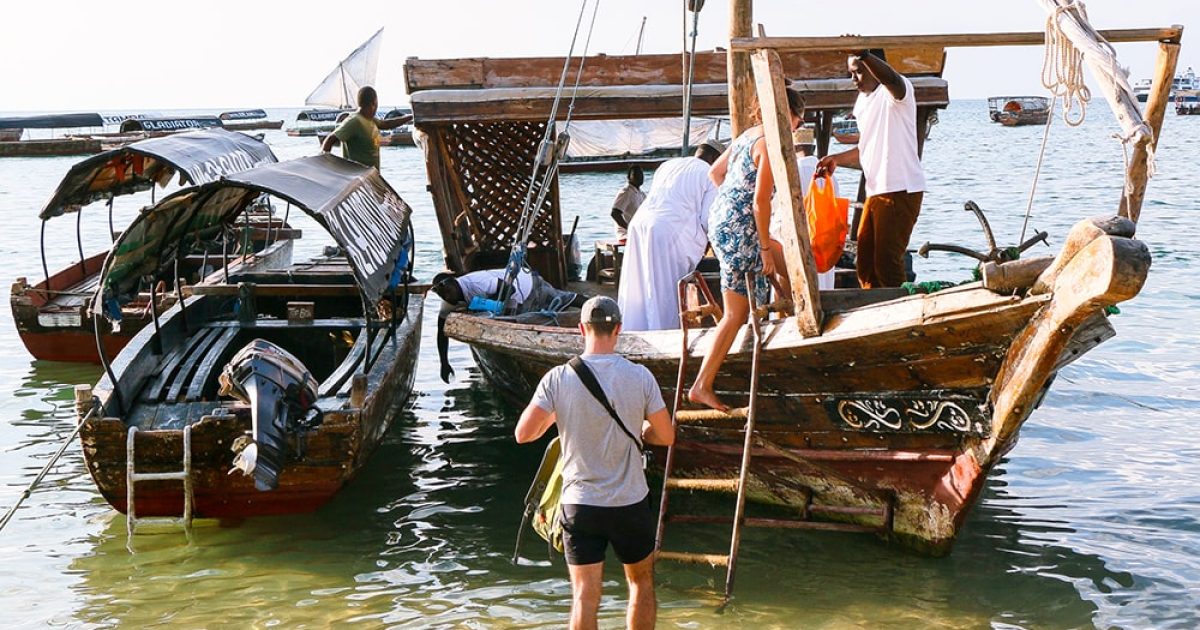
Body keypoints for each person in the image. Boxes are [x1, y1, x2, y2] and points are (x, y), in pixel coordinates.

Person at [515, 296, 675, 630]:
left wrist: (559, 418)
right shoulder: (640, 376)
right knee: (641, 584)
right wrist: (642, 430)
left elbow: (524, 434)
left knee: (585, 596)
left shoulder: (558, 378)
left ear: (581, 329)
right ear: (618, 329)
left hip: (580, 504)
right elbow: (666, 435)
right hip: (630, 501)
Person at [687, 86, 805, 412]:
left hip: (721, 223)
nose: (797, 127)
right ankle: (803, 325)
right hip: (743, 227)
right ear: (786, 114)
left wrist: (731, 201)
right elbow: (759, 204)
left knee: (736, 312)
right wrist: (764, 247)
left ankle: (702, 384)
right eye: (798, 119)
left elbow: (715, 172)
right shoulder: (769, 142)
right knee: (782, 267)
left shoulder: (746, 135)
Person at [816, 50, 926, 288]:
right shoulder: (862, 102)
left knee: (887, 261)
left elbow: (891, 79)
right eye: (851, 73)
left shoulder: (896, 92)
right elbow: (867, 147)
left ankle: (900, 311)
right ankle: (874, 309)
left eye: (859, 71)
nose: (854, 79)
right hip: (876, 191)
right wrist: (837, 158)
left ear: (874, 68)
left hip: (901, 188)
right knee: (865, 261)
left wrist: (863, 53)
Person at [617, 142, 722, 331]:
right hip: (667, 232)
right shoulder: (709, 173)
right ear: (716, 160)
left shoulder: (668, 165)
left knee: (637, 288)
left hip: (639, 225)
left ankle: (633, 333)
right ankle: (663, 336)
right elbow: (709, 220)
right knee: (664, 292)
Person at [766, 128, 837, 296]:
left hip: (795, 240)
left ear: (792, 147)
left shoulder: (793, 170)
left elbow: (778, 210)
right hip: (823, 240)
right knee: (822, 285)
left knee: (789, 285)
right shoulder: (829, 172)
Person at [320, 86, 413, 169]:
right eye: (377, 104)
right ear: (373, 103)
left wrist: (410, 116)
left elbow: (386, 124)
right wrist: (324, 166)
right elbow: (330, 139)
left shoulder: (370, 119)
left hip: (371, 177)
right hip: (357, 177)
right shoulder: (354, 121)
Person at [611, 166, 646, 241]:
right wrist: (629, 228)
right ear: (629, 177)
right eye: (635, 174)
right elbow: (615, 213)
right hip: (626, 234)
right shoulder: (626, 192)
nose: (639, 177)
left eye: (641, 174)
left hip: (639, 232)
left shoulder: (642, 194)